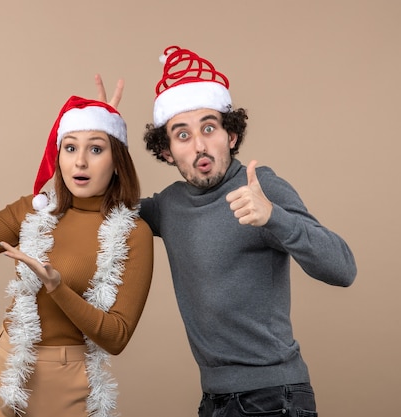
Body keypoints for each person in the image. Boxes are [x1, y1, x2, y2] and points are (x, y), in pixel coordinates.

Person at [0, 92, 153, 417]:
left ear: (117, 161)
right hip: (2, 368)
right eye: (71, 147)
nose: (80, 162)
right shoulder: (35, 210)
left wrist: (57, 286)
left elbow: (117, 337)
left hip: (65, 383)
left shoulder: (133, 233)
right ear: (58, 155)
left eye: (97, 149)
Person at [137, 46, 357, 416]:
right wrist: (98, 135)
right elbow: (103, 208)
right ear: (166, 151)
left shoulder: (261, 187)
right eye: (183, 135)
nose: (201, 145)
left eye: (210, 128)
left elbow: (344, 269)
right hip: (214, 400)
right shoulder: (168, 206)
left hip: (275, 396)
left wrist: (273, 216)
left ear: (232, 135)